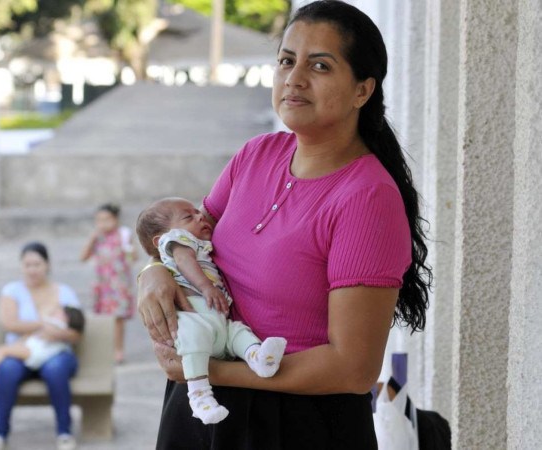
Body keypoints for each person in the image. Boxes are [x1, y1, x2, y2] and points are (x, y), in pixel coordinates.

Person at [136, 1, 432, 448]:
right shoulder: (256, 155)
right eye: (286, 61)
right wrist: (152, 273)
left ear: (362, 90)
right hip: (200, 410)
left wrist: (208, 369)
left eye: (320, 65)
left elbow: (353, 368)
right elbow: (191, 238)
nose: (294, 79)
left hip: (294, 424)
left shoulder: (367, 198)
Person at [136, 197, 287, 425]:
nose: (200, 216)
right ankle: (199, 396)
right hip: (193, 315)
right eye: (189, 216)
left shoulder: (200, 247)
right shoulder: (178, 242)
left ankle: (257, 358)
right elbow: (184, 260)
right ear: (161, 240)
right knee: (194, 341)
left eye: (198, 213)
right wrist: (206, 286)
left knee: (237, 332)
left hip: (217, 320)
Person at [0, 242, 82, 450]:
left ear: (47, 265)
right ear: (21, 266)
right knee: (7, 369)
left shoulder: (64, 292)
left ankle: (64, 433)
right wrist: (43, 324)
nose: (32, 269)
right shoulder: (12, 290)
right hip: (22, 354)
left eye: (37, 264)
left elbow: (76, 331)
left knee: (56, 370)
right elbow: (9, 323)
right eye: (27, 264)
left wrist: (50, 332)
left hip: (57, 353)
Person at [80, 203, 136, 364]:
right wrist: (91, 239)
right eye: (99, 220)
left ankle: (118, 349)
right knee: (103, 318)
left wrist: (129, 250)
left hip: (119, 284)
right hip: (103, 285)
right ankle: (105, 349)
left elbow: (133, 257)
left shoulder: (124, 235)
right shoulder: (97, 238)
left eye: (107, 219)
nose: (103, 223)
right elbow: (83, 257)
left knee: (118, 319)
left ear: (116, 220)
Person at [0, 305, 85, 384]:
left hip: (35, 353)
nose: (54, 313)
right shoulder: (52, 324)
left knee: (4, 351)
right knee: (11, 350)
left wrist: (46, 323)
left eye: (59, 312)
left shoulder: (58, 326)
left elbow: (45, 321)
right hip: (34, 349)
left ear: (66, 317)